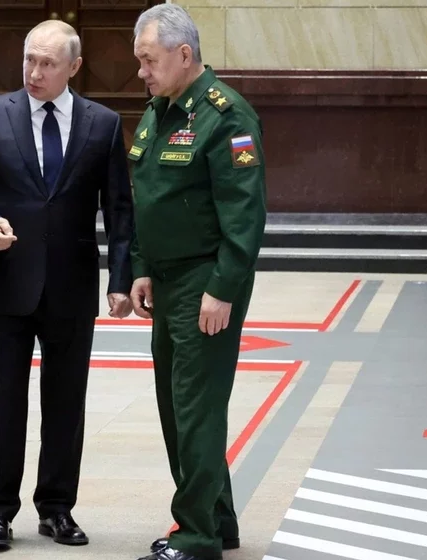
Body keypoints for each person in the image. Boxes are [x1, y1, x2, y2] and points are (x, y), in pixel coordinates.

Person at [0, 18, 134, 553]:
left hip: (71, 288)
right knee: (4, 400)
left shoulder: (102, 124)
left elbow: (120, 210)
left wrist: (120, 279)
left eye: (48, 63)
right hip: (8, 284)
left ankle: (56, 508)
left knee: (65, 402)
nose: (34, 72)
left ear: (74, 67)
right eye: (29, 59)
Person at [126, 4, 267, 560]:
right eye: (139, 61)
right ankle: (218, 519)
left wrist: (223, 288)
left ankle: (195, 536)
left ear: (185, 55)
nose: (141, 72)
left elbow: (245, 214)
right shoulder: (159, 111)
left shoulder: (226, 116)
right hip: (166, 278)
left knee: (195, 407)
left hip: (204, 280)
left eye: (149, 60)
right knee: (178, 405)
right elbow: (149, 198)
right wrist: (140, 265)